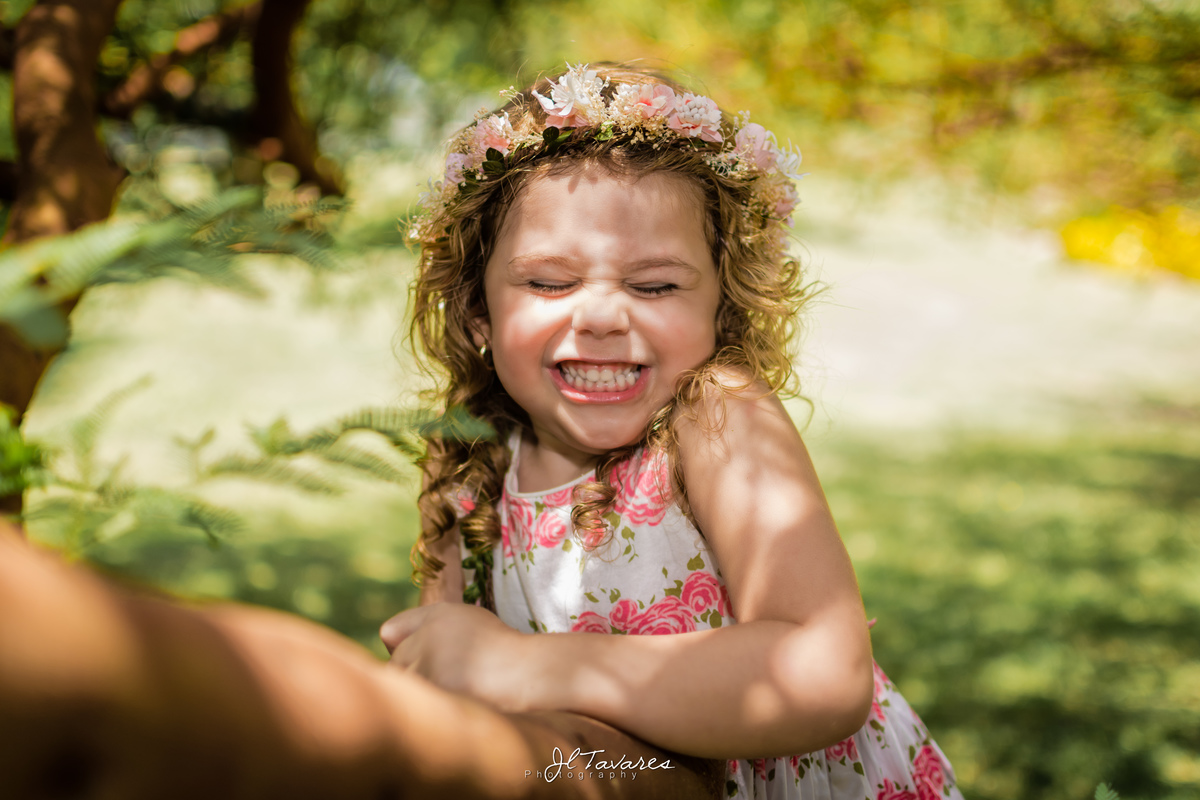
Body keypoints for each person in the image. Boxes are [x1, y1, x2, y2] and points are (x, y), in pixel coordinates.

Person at [381, 63, 962, 800]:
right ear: (478, 314)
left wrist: (530, 668)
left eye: (654, 285)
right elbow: (447, 679)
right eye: (549, 282)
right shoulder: (469, 461)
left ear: (722, 307)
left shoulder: (715, 418)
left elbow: (823, 673)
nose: (600, 316)